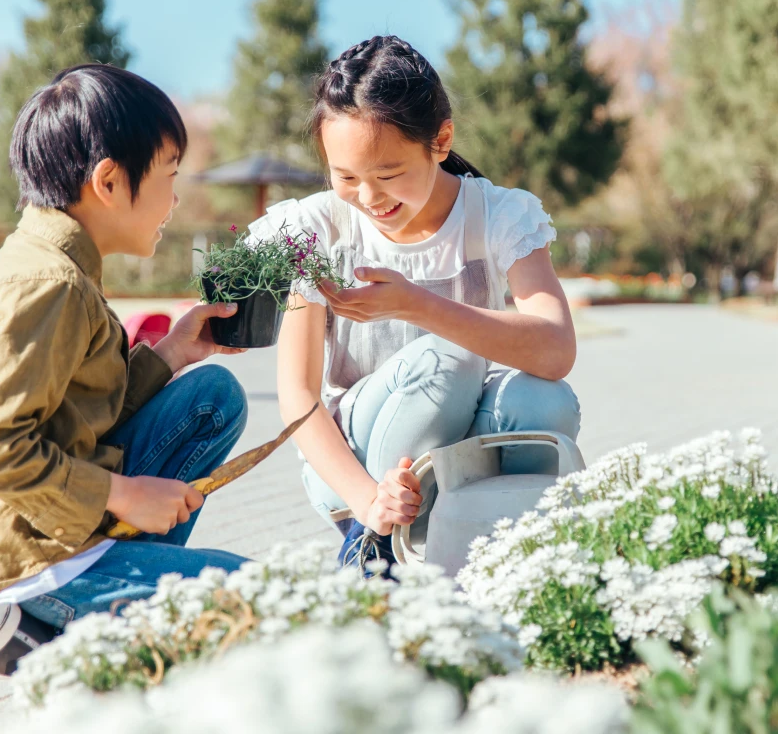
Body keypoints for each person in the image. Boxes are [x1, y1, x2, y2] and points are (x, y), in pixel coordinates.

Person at [0, 64, 249, 675]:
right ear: (110, 181)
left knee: (212, 398)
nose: (175, 200)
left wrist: (171, 353)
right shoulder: (50, 284)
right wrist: (127, 495)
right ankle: (42, 616)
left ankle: (114, 591)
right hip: (28, 556)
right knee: (260, 598)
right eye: (170, 175)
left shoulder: (53, 263)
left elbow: (76, 410)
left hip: (52, 523)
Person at [249, 35, 581, 564]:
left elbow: (556, 350)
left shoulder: (497, 215)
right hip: (354, 468)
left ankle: (504, 555)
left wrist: (417, 305)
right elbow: (298, 395)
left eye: (388, 174)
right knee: (449, 362)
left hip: (453, 462)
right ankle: (372, 554)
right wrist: (368, 502)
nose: (368, 198)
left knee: (545, 401)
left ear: (441, 141)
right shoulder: (316, 230)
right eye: (346, 177)